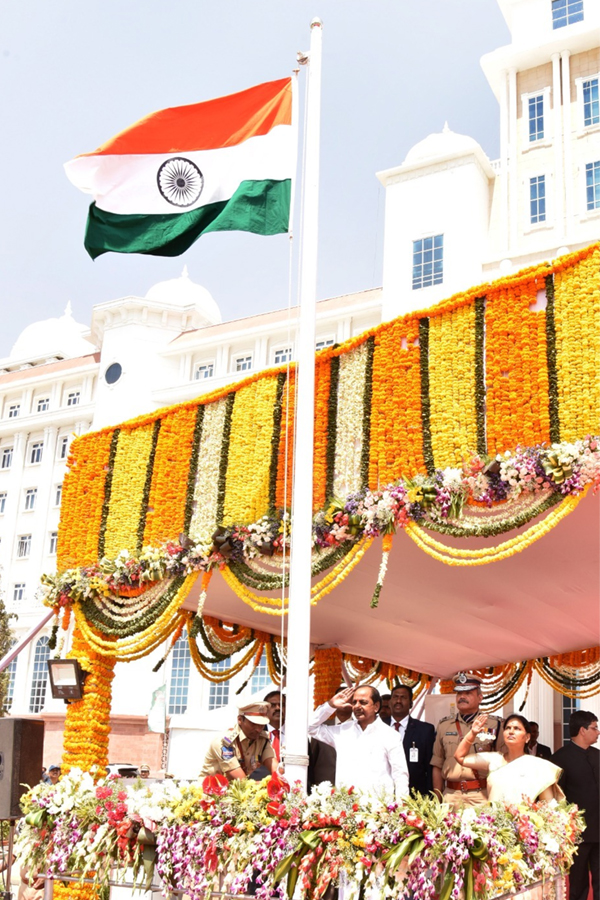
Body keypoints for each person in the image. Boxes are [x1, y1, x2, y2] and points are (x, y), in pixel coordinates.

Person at [308, 685, 409, 800]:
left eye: (363, 702)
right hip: (345, 809)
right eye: (354, 702)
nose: (357, 706)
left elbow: (400, 775)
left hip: (378, 811)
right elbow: (310, 727)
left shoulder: (390, 735)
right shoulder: (342, 730)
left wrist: (401, 810)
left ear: (376, 706)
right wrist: (330, 705)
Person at [431, 673, 505, 809]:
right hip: (451, 795)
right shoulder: (444, 725)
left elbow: (504, 763)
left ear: (480, 697)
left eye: (468, 693)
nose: (462, 697)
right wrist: (438, 798)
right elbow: (437, 763)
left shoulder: (495, 725)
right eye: (459, 694)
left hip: (481, 795)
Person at [454, 712, 564, 803]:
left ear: (527, 737)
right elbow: (460, 757)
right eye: (508, 728)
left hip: (525, 826)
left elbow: (548, 806)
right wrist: (472, 733)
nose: (511, 731)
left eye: (517, 728)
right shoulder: (494, 759)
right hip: (495, 825)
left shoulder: (538, 766)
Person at [552, 710, 599, 900]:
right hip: (577, 834)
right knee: (578, 885)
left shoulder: (598, 755)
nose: (598, 732)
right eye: (595, 728)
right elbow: (556, 798)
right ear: (582, 730)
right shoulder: (560, 758)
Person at [200, 702, 277, 780]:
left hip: (238, 788)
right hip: (211, 789)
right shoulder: (224, 742)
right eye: (253, 724)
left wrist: (279, 781)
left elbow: (273, 765)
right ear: (240, 719)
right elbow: (240, 778)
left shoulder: (263, 739)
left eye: (261, 724)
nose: (258, 729)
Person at [388, 684, 435, 796]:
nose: (398, 701)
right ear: (390, 702)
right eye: (395, 697)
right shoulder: (377, 726)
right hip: (383, 792)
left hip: (415, 794)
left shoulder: (425, 730)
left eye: (403, 697)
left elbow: (429, 767)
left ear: (411, 703)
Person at [307, 686, 353, 790]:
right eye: (342, 697)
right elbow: (313, 758)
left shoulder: (359, 727)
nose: (345, 700)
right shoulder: (322, 727)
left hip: (350, 789)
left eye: (349, 697)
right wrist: (330, 705)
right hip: (323, 788)